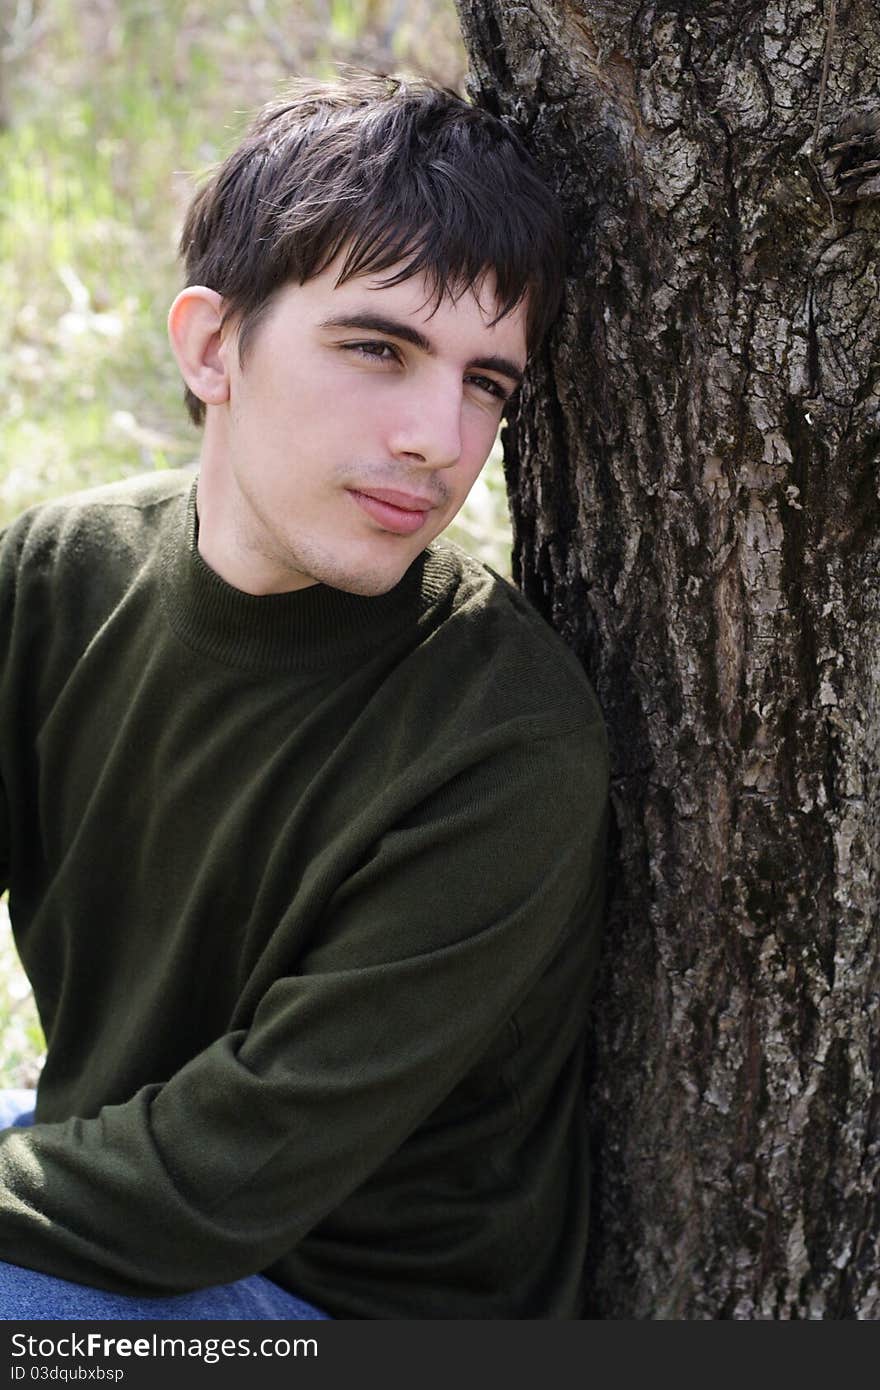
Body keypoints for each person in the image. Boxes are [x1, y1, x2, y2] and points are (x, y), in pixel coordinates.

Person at [0, 72, 609, 1321]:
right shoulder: (56, 576)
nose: (439, 436)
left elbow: (211, 1185)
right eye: (378, 348)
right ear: (212, 346)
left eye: (485, 383)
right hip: (106, 1168)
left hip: (337, 1304)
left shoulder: (504, 735)